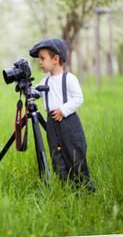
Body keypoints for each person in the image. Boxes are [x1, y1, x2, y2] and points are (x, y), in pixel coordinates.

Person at [29, 38, 96, 192]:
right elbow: (36, 92)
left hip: (69, 122)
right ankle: (65, 185)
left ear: (56, 59)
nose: (40, 62)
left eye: (42, 58)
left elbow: (78, 98)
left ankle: (84, 186)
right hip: (52, 123)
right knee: (56, 154)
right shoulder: (44, 81)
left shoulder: (69, 79)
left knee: (74, 152)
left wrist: (63, 110)